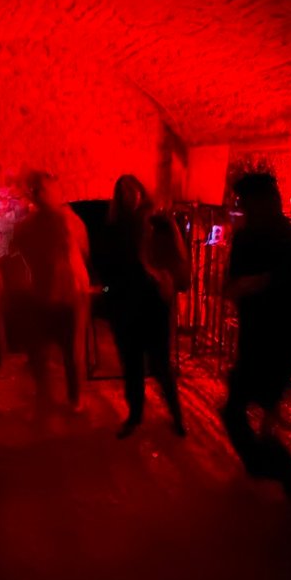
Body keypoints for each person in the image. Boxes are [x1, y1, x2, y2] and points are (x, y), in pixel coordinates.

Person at [221, 171, 291, 505]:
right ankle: (272, 466)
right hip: (283, 337)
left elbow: (237, 288)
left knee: (237, 410)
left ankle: (278, 471)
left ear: (256, 202)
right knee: (255, 407)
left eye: (243, 202)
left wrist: (257, 284)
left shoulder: (258, 240)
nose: (240, 208)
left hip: (269, 338)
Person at [104, 174, 188, 439]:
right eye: (122, 192)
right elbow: (112, 265)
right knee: (132, 365)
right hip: (127, 303)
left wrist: (168, 279)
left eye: (132, 190)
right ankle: (135, 416)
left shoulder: (157, 220)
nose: (128, 196)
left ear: (140, 191)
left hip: (152, 303)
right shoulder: (116, 226)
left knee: (161, 364)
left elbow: (175, 252)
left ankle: (176, 417)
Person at [10, 171, 91, 413]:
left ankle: (72, 399)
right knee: (42, 352)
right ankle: (47, 397)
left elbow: (81, 251)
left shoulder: (65, 221)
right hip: (44, 296)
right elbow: (21, 250)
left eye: (47, 188)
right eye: (41, 189)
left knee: (69, 352)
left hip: (65, 296)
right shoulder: (38, 224)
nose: (46, 194)